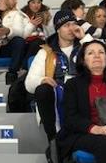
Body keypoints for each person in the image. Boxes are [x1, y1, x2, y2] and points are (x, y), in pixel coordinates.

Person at [25, 10, 92, 141]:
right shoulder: (46, 52)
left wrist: (84, 38)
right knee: (43, 90)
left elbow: (102, 60)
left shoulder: (85, 47)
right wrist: (43, 79)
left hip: (82, 92)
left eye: (74, 24)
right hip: (57, 94)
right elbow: (29, 83)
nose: (71, 28)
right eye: (66, 25)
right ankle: (53, 139)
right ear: (58, 29)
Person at [20, 0, 53, 68]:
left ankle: (24, 68)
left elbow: (51, 34)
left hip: (42, 42)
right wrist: (31, 24)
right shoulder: (22, 15)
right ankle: (24, 67)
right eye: (33, 2)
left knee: (38, 43)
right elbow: (22, 35)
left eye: (38, 2)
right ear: (29, 3)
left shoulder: (47, 14)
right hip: (26, 42)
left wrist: (45, 22)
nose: (36, 5)